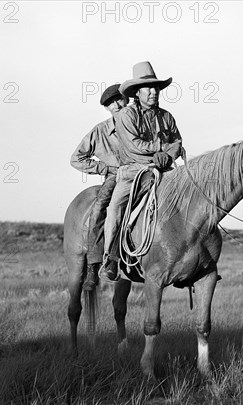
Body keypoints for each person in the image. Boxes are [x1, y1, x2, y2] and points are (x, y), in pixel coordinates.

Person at [101, 62, 183, 281]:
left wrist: (169, 155)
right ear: (137, 92)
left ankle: (188, 258)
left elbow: (177, 141)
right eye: (148, 88)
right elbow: (134, 145)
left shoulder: (166, 117)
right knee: (115, 209)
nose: (153, 92)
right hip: (133, 173)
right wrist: (160, 149)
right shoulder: (126, 115)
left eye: (156, 87)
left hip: (164, 170)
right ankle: (111, 257)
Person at [70, 83, 128, 290]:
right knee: (100, 209)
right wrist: (103, 168)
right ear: (107, 108)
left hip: (144, 173)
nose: (117, 105)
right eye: (111, 103)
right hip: (115, 176)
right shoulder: (100, 131)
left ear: (127, 99)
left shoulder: (141, 123)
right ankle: (95, 266)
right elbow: (76, 159)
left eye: (119, 99)